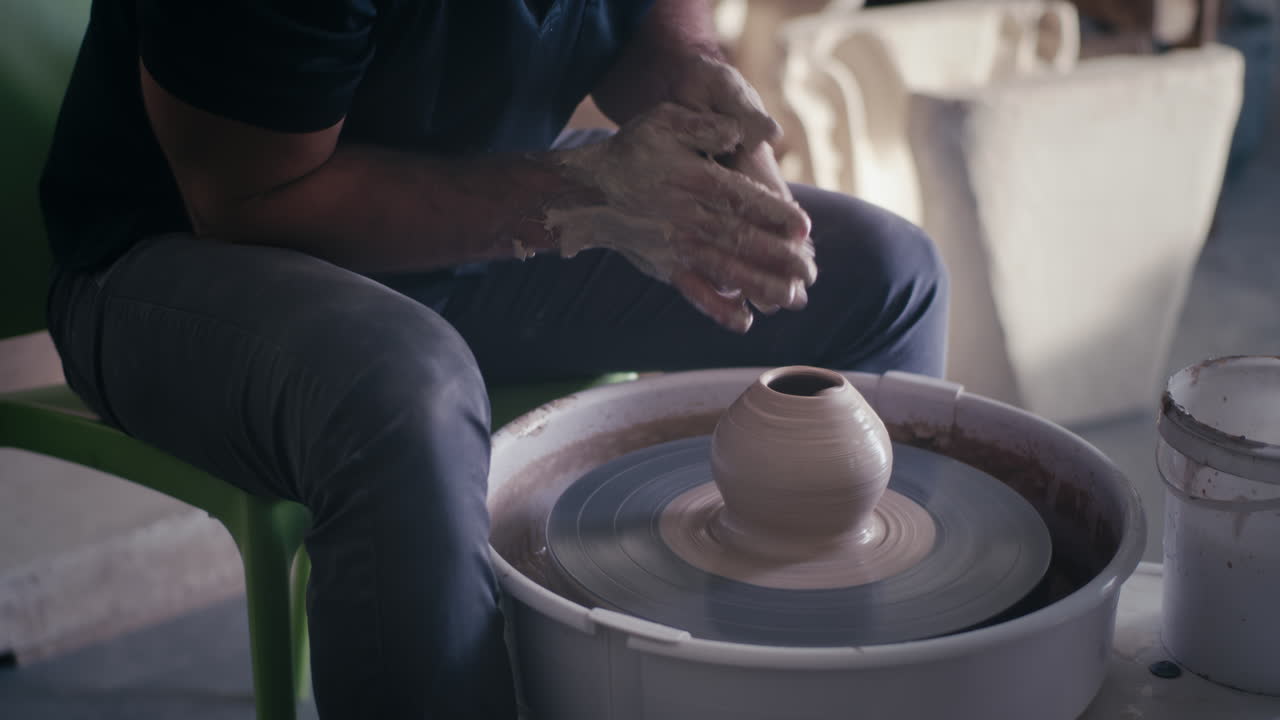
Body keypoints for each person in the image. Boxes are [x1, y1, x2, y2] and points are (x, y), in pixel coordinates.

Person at [40, 0, 948, 716]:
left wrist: (694, 85)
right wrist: (585, 195)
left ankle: (842, 685)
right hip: (174, 262)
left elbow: (650, 21)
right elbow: (244, 198)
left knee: (883, 279)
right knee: (403, 393)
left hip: (463, 218)